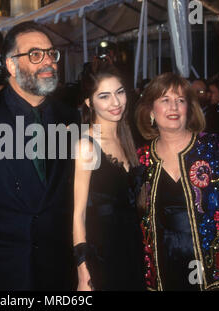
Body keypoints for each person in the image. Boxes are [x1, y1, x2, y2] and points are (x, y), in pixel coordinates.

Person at [0, 21, 80, 290]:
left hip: (55, 271)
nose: (48, 62)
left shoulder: (69, 117)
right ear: (11, 65)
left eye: (51, 54)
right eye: (36, 55)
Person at [135, 72, 219, 291]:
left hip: (216, 267)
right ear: (150, 111)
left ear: (189, 108)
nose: (173, 107)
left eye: (180, 100)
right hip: (163, 267)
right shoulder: (141, 158)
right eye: (165, 100)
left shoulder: (217, 147)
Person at [73, 61, 145, 291]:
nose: (116, 102)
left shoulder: (127, 138)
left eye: (120, 92)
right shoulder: (87, 145)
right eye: (104, 96)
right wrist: (83, 272)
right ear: (89, 102)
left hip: (133, 251)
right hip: (102, 255)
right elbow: (78, 213)